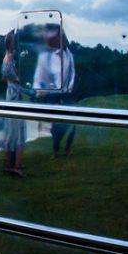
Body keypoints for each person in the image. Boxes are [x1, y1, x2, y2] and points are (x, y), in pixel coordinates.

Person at [33, 24, 76, 157]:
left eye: (58, 36)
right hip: (52, 95)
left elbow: (73, 72)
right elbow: (38, 77)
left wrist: (71, 85)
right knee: (55, 125)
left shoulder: (68, 54)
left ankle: (68, 148)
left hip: (66, 94)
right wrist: (39, 90)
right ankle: (56, 150)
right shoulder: (45, 57)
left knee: (72, 123)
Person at [1, 30, 25, 177]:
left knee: (11, 133)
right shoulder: (10, 59)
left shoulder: (7, 59)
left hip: (10, 96)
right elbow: (14, 78)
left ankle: (8, 163)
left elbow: (4, 77)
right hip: (15, 98)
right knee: (19, 134)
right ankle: (16, 165)